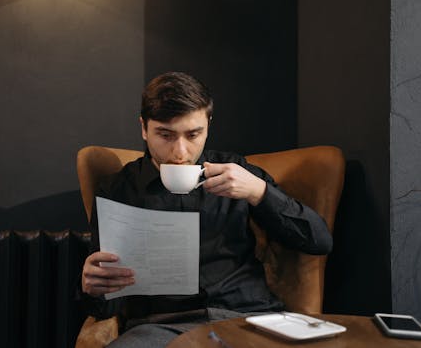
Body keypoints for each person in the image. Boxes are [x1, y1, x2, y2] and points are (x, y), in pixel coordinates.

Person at [80, 71, 332, 347]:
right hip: (161, 328)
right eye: (165, 135)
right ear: (144, 128)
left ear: (208, 125)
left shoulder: (238, 172)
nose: (180, 151)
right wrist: (94, 289)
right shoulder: (119, 190)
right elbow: (104, 308)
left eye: (193, 134)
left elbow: (319, 241)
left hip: (248, 319)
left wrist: (259, 192)